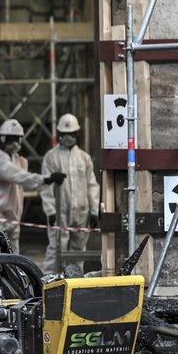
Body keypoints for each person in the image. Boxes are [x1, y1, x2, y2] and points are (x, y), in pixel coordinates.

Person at [0, 119, 65, 254]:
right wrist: (47, 179)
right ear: (3, 138)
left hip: (12, 216)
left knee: (13, 256)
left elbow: (25, 182)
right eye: (13, 139)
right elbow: (20, 176)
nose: (16, 143)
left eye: (18, 139)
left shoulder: (17, 160)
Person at [41, 113, 100, 273]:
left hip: (82, 212)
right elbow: (45, 187)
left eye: (72, 134)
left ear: (77, 134)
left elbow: (92, 185)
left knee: (78, 251)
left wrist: (94, 211)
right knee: (56, 249)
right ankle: (47, 283)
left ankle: (75, 283)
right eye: (65, 134)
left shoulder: (84, 158)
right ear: (59, 134)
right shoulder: (51, 157)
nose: (68, 137)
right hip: (60, 213)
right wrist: (50, 211)